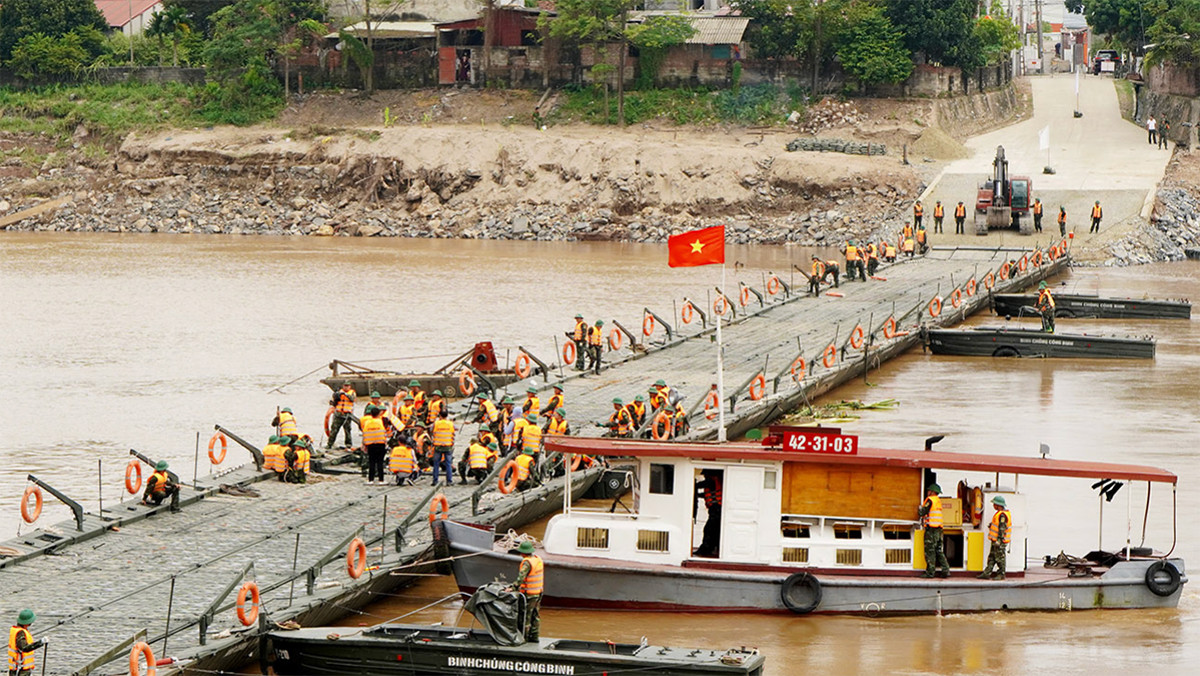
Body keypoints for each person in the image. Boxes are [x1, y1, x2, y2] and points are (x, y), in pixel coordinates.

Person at [512, 541, 543, 640]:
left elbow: (521, 577)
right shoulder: (538, 559)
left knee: (525, 616)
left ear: (523, 552)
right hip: (538, 592)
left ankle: (523, 638)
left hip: (528, 594)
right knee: (535, 615)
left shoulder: (527, 563)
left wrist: (513, 588)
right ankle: (535, 636)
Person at [917, 483, 950, 578]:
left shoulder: (930, 500)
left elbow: (922, 512)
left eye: (929, 490)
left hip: (931, 529)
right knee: (939, 551)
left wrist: (919, 508)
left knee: (930, 551)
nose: (927, 492)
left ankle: (930, 572)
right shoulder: (938, 501)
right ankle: (946, 570)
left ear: (932, 492)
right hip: (939, 529)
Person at [978, 496, 1012, 580]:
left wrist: (999, 540)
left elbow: (1002, 529)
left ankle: (1001, 574)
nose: (993, 506)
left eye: (994, 504)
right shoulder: (999, 514)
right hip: (995, 540)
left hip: (999, 541)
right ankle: (987, 573)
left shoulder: (1002, 515)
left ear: (998, 505)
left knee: (1000, 558)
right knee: (992, 557)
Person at [694, 470, 722, 558]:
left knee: (709, 530)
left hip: (716, 510)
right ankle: (711, 549)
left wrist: (693, 484)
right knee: (714, 531)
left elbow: (701, 485)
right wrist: (699, 495)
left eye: (705, 475)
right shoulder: (714, 483)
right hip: (715, 510)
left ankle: (705, 550)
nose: (705, 477)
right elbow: (707, 493)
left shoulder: (711, 481)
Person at [8, 609, 45, 676]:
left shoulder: (16, 630)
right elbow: (25, 648)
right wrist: (40, 642)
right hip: (21, 668)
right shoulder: (20, 633)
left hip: (16, 667)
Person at [361, 405, 389, 484]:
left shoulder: (367, 423)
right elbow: (385, 432)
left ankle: (370, 480)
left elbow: (364, 434)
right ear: (379, 414)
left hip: (370, 445)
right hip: (380, 444)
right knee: (380, 462)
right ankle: (381, 480)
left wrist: (364, 445)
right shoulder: (381, 421)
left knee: (371, 462)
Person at [430, 410, 456, 486]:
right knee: (448, 464)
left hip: (438, 446)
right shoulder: (450, 423)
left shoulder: (436, 423)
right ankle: (449, 481)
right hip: (448, 446)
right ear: (447, 416)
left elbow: (431, 430)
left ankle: (435, 480)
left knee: (436, 464)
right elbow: (455, 429)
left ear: (440, 416)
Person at [327, 383, 356, 449]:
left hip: (347, 415)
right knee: (334, 430)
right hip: (338, 414)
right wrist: (332, 401)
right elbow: (334, 403)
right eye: (345, 386)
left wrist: (345, 394)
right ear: (343, 386)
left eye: (347, 386)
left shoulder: (352, 393)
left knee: (347, 430)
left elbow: (352, 399)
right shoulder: (338, 393)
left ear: (350, 387)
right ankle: (329, 444)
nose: (346, 387)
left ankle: (348, 445)